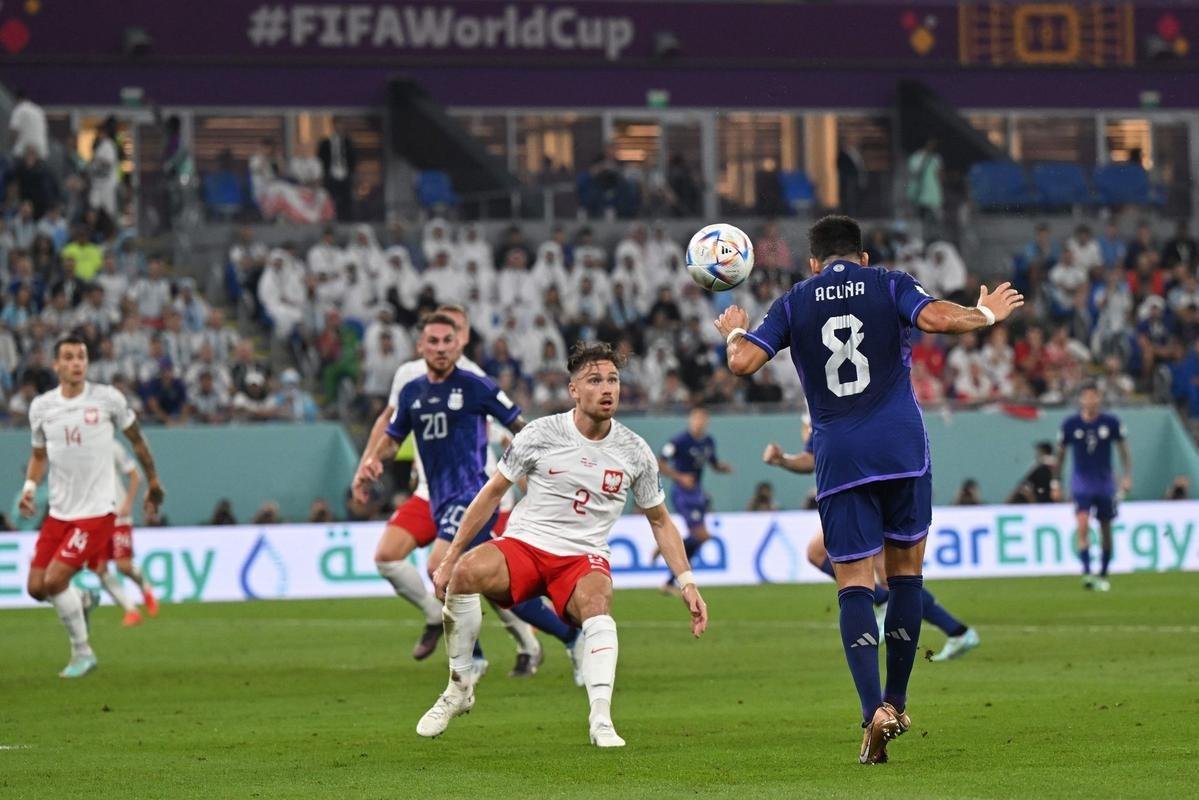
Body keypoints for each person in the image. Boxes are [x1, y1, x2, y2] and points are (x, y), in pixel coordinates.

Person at [715, 214, 1022, 763]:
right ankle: (898, 701)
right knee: (906, 577)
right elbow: (936, 319)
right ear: (860, 256)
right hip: (901, 448)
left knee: (854, 584)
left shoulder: (794, 300)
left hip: (840, 455)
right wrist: (984, 313)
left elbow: (741, 363)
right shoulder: (888, 282)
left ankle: (870, 712)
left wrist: (734, 329)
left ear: (813, 262)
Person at [418, 342, 708, 746]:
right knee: (465, 574)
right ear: (574, 390)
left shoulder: (634, 451)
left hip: (581, 557)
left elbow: (660, 520)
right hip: (526, 544)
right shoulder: (540, 433)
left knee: (597, 603)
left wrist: (687, 582)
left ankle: (601, 720)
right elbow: (489, 494)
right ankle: (458, 687)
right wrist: (449, 558)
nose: (607, 388)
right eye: (594, 380)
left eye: (613, 380)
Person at [354, 309, 577, 676]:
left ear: (463, 338)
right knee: (495, 584)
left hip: (477, 492)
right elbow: (393, 430)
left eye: (450, 336)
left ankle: (473, 659)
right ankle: (564, 637)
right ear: (421, 344)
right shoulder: (409, 382)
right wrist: (372, 460)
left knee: (442, 567)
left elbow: (517, 432)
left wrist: (538, 479)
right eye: (434, 339)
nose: (442, 345)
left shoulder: (476, 381)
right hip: (432, 494)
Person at [762, 430, 980, 664]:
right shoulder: (816, 403)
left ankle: (944, 628)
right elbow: (812, 457)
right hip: (854, 488)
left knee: (874, 570)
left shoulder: (846, 400)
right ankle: (955, 630)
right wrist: (783, 459)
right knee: (881, 574)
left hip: (872, 487)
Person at [18, 335, 165, 677]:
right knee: (37, 588)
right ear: (56, 365)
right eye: (68, 357)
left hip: (97, 513)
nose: (76, 363)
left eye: (81, 357)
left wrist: (154, 481)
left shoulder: (107, 400)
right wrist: (29, 486)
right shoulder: (42, 407)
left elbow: (138, 442)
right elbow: (39, 456)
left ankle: (82, 653)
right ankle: (83, 599)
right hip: (59, 513)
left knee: (55, 581)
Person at [1055, 384, 1132, 592]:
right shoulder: (1070, 424)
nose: (1091, 400)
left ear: (1099, 399)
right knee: (1082, 523)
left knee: (1105, 528)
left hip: (1105, 482)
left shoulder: (1111, 422)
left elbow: (1123, 449)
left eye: (1094, 396)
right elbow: (1060, 455)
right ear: (1081, 400)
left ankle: (1104, 573)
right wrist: (1056, 482)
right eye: (1087, 396)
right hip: (1082, 482)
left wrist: (1126, 476)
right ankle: (1087, 572)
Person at [655, 406, 732, 594]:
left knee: (699, 537)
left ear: (707, 421)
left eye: (702, 419)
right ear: (691, 420)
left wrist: (722, 468)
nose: (699, 422)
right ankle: (668, 550)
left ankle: (670, 579)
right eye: (696, 418)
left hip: (697, 492)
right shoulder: (679, 441)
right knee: (702, 535)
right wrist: (680, 477)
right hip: (682, 492)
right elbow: (660, 462)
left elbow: (713, 463)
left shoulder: (708, 442)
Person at [87, 441, 160, 626]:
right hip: (94, 519)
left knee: (124, 566)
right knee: (99, 568)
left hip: (118, 516)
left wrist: (127, 503)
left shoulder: (111, 446)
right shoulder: (77, 452)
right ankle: (131, 610)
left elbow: (136, 475)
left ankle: (146, 588)